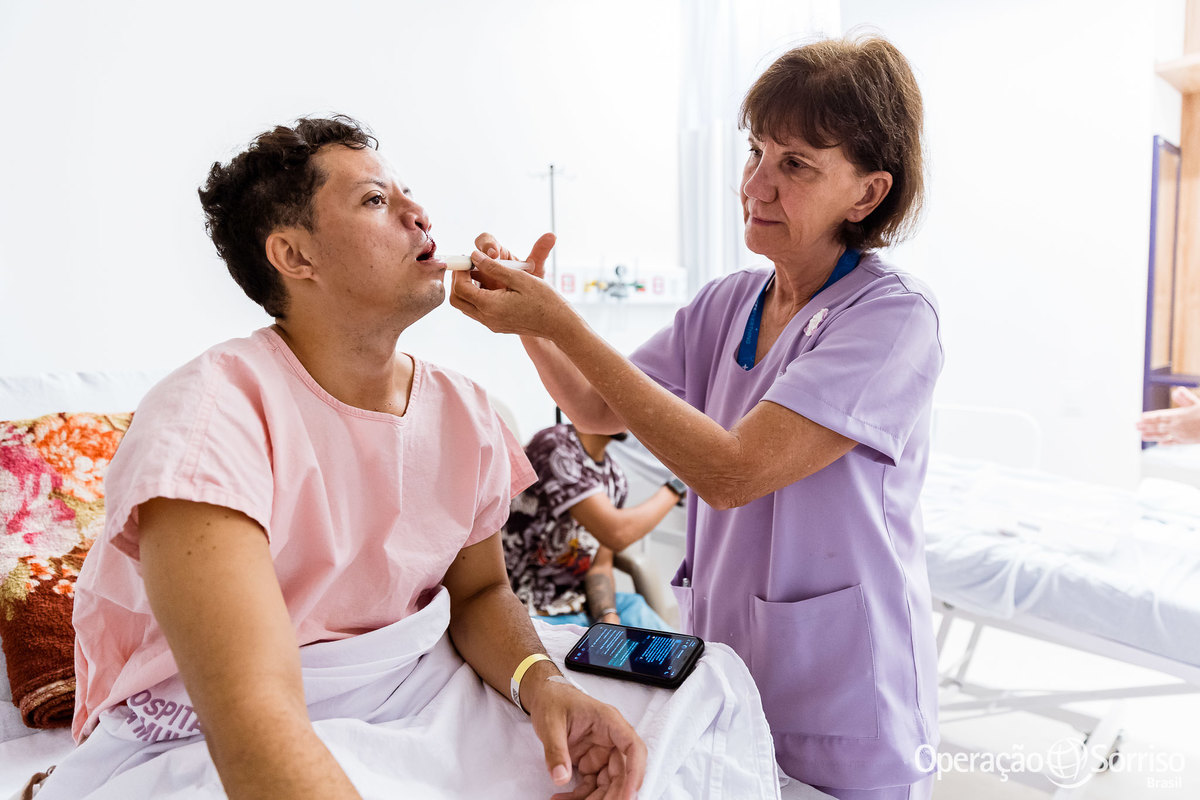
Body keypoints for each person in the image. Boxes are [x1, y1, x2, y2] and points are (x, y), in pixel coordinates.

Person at [43, 116, 647, 800]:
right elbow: (253, 715)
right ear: (295, 257)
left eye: (406, 193)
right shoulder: (208, 419)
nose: (419, 214)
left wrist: (542, 685)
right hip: (213, 725)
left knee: (674, 711)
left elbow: (478, 592)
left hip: (408, 687)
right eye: (374, 201)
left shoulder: (465, 410)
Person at [451, 35, 942, 800]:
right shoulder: (729, 303)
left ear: (867, 193)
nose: (758, 184)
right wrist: (531, 323)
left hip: (844, 684)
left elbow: (732, 472)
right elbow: (593, 406)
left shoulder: (892, 320)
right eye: (756, 152)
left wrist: (565, 323)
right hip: (729, 658)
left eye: (796, 165)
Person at [504, 423, 685, 630]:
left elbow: (599, 566)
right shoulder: (554, 445)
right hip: (526, 610)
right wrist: (678, 485)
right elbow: (616, 533)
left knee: (675, 651)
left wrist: (607, 616)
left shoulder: (615, 477)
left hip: (578, 605)